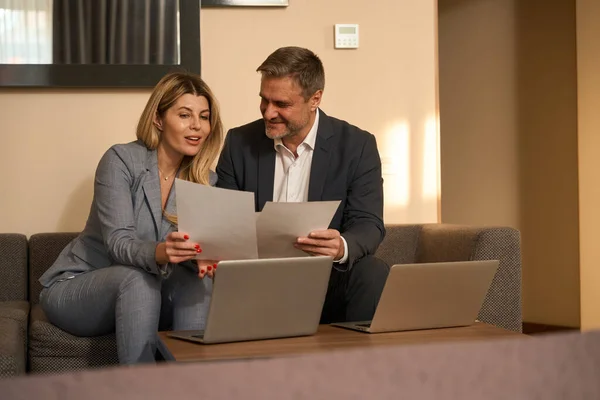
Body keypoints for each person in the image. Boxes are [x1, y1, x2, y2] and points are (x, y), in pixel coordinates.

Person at [39, 72, 223, 364]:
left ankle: (194, 387)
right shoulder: (120, 160)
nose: (197, 126)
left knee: (197, 280)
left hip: (149, 289)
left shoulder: (204, 179)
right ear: (159, 120)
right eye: (185, 115)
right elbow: (118, 243)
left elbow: (190, 251)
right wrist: (164, 251)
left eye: (204, 116)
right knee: (136, 278)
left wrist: (200, 257)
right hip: (79, 286)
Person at [216, 46, 389, 323]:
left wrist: (341, 246)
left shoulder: (357, 145)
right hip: (257, 279)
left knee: (372, 271)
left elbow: (369, 223)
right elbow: (224, 221)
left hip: (325, 278)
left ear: (315, 99)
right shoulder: (239, 143)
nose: (268, 112)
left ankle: (360, 365)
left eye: (281, 104)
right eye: (264, 100)